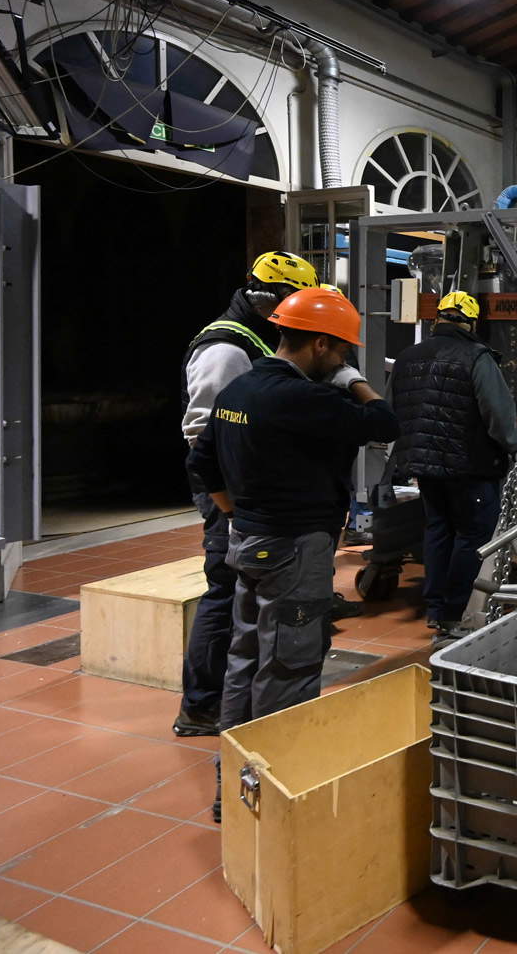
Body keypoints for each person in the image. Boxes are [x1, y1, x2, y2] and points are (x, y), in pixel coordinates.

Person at [187, 287, 398, 741]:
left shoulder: (237, 390)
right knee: (290, 664)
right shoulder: (306, 400)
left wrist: (237, 514)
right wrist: (352, 380)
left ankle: (238, 783)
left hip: (247, 541)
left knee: (244, 657)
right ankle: (275, 782)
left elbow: (200, 465)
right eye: (341, 350)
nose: (343, 358)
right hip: (296, 550)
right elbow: (385, 422)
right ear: (320, 344)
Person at [174, 250, 319, 737]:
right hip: (230, 493)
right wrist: (231, 506)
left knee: (238, 590)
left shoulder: (258, 337)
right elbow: (204, 435)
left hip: (248, 490)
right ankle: (200, 705)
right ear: (266, 297)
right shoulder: (226, 348)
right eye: (292, 300)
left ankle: (231, 694)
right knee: (223, 588)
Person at [388, 290, 517, 644]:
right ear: (472, 322)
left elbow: (394, 409)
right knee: (472, 536)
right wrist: (514, 447)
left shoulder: (407, 358)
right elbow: (499, 416)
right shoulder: (476, 357)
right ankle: (453, 612)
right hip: (471, 468)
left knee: (438, 530)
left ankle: (434, 607)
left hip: (425, 467)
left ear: (438, 319)